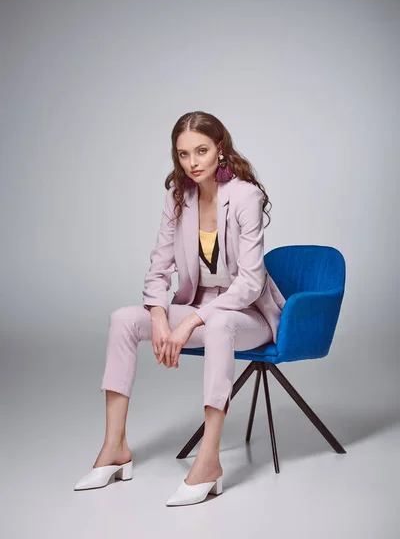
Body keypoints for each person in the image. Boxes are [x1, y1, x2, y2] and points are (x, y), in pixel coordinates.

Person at [73, 111, 286, 505]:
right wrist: (157, 315)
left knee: (220, 325)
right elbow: (159, 267)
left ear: (220, 148)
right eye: (184, 154)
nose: (194, 162)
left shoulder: (245, 196)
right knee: (124, 319)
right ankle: (115, 447)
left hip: (246, 315)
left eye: (202, 150)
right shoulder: (179, 197)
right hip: (196, 308)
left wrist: (191, 321)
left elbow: (251, 282)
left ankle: (209, 461)